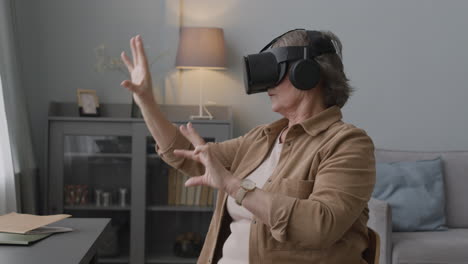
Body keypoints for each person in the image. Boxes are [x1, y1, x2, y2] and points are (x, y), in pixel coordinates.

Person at [121, 29, 376, 264]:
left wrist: (234, 185)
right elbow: (185, 155)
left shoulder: (348, 144)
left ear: (307, 73)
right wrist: (146, 102)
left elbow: (320, 226)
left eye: (276, 70)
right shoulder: (261, 138)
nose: (267, 85)